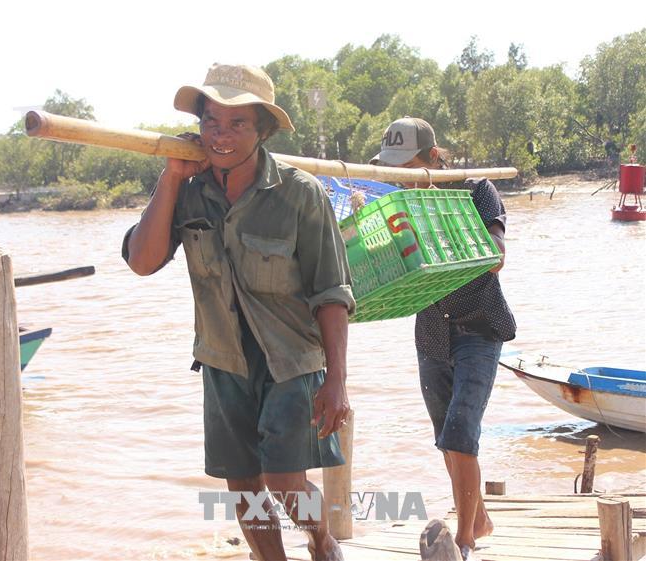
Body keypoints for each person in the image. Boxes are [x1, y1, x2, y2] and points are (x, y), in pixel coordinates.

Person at [122, 63, 355, 561]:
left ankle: (321, 540)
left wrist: (336, 379)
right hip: (223, 359)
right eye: (211, 122)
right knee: (244, 485)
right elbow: (141, 262)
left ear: (263, 130)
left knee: (285, 481)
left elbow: (332, 293)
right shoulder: (188, 192)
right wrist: (170, 177)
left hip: (290, 361)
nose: (220, 136)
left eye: (237, 124)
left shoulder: (300, 194)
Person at [371, 117, 517, 561]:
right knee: (446, 441)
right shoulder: (398, 206)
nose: (408, 180)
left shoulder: (476, 192)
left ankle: (466, 541)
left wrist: (440, 231)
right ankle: (481, 516)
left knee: (459, 434)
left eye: (412, 168)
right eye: (398, 172)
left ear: (434, 159)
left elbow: (495, 258)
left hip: (479, 328)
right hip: (431, 332)